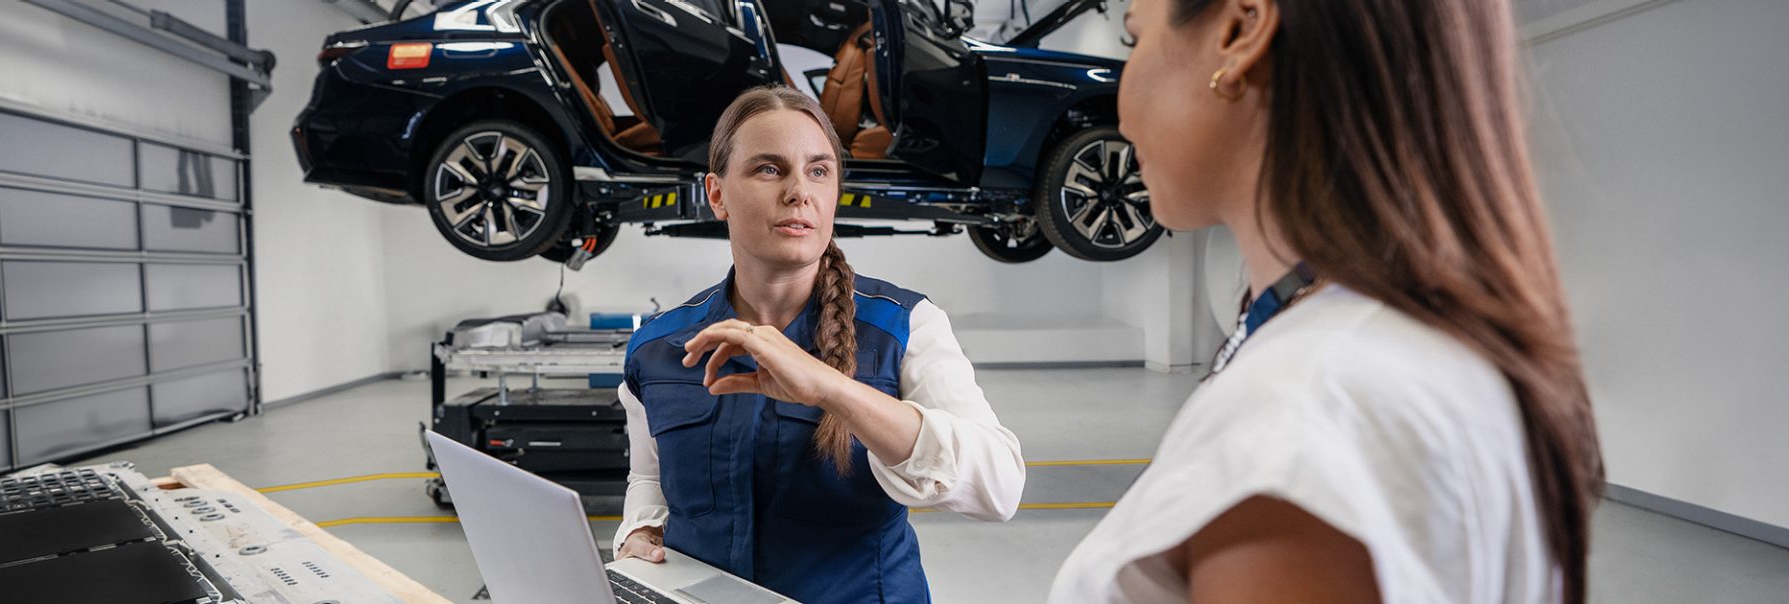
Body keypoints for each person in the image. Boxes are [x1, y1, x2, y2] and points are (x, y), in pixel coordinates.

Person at [1049, 0, 1604, 602]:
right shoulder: (1418, 347)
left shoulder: (1303, 416)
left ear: (1240, 31)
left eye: (1135, 42)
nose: (1118, 109)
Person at [611, 86, 1026, 603]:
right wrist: (640, 532)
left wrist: (832, 390)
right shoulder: (657, 349)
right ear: (717, 195)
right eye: (769, 169)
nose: (798, 192)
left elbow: (1000, 488)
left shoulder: (905, 327)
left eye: (819, 170)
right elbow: (648, 478)